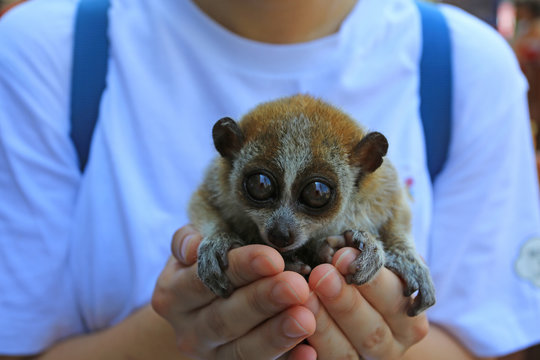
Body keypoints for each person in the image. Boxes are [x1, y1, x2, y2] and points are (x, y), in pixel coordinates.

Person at [0, 0, 539, 359]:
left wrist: (395, 281)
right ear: (229, 155)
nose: (282, 224)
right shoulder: (45, 51)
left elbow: (494, 338)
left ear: (361, 168)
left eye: (316, 195)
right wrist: (179, 332)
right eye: (259, 188)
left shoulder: (468, 67)